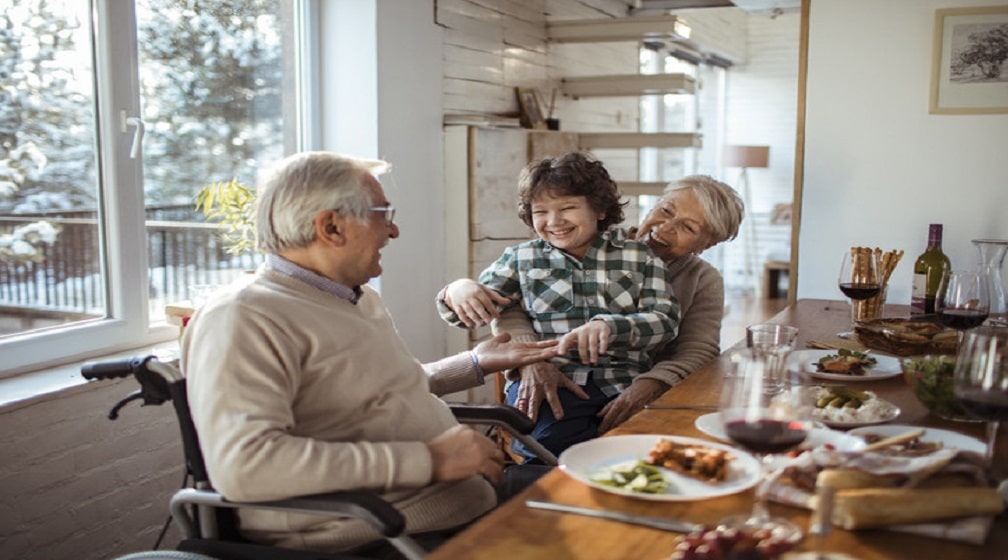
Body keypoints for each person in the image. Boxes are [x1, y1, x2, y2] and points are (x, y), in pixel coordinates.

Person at [180, 151, 560, 556]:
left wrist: (474, 364)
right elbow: (246, 466)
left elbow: (373, 393)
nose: (392, 230)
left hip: (461, 500)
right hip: (377, 533)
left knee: (603, 498)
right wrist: (428, 460)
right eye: (383, 213)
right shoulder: (243, 316)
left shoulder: (353, 298)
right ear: (331, 226)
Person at [445, 174, 744, 443]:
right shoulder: (584, 241)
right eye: (665, 210)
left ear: (707, 243)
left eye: (687, 227)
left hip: (635, 385)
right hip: (558, 376)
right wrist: (532, 357)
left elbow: (697, 351)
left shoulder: (703, 280)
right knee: (556, 439)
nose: (664, 228)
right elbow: (507, 303)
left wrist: (649, 386)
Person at [436, 151, 679, 461]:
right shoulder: (521, 259)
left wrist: (610, 325)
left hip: (623, 384)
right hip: (552, 384)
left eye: (568, 208)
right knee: (547, 451)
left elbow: (667, 320)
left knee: (649, 452)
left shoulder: (639, 256)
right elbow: (468, 312)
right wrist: (457, 290)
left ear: (600, 209)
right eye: (541, 211)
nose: (554, 222)